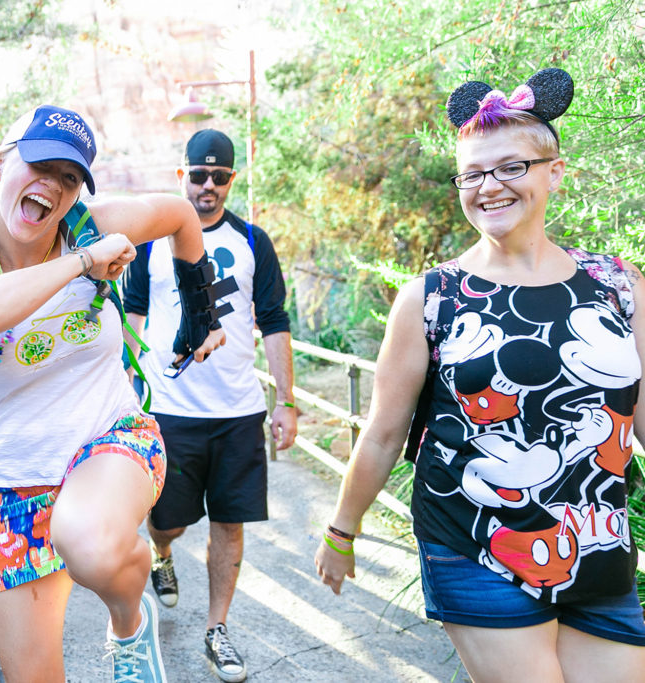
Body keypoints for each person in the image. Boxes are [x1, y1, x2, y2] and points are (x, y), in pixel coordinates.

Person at [314, 68, 645, 682]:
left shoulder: (619, 286)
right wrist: (341, 531)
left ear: (555, 171)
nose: (489, 186)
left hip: (599, 547)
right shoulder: (431, 298)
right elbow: (384, 432)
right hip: (476, 543)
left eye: (511, 167)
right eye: (472, 174)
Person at [0, 104, 226, 683]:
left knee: (88, 541)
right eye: (39, 165)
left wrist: (199, 308)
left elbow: (182, 214)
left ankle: (129, 624)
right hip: (14, 479)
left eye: (68, 178)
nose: (53, 188)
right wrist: (83, 262)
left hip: (110, 440)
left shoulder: (93, 221)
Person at [122, 129, 297, 683]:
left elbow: (274, 322)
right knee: (165, 523)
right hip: (169, 410)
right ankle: (162, 554)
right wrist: (125, 390)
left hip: (238, 412)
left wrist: (286, 402)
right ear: (183, 176)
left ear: (231, 181)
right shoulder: (150, 243)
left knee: (229, 523)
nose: (208, 186)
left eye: (219, 177)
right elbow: (131, 318)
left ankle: (216, 630)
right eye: (199, 175)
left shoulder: (252, 241)